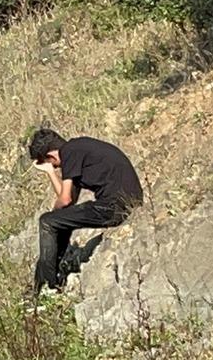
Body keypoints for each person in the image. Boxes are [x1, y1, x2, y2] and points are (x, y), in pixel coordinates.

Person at [28, 126, 143, 294]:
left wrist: (52, 216)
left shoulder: (70, 152)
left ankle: (47, 286)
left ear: (51, 156)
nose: (58, 168)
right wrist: (51, 172)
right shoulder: (77, 151)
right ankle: (47, 281)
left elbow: (64, 200)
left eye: (52, 164)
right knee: (58, 221)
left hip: (115, 205)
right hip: (122, 203)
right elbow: (68, 202)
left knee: (47, 221)